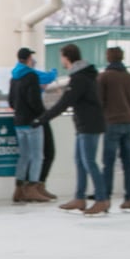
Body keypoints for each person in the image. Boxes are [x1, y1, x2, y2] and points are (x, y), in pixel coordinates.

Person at [35, 43, 108, 216]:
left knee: (89, 162)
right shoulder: (82, 76)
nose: (61, 60)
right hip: (84, 124)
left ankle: (102, 199)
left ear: (66, 57)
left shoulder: (79, 78)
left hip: (89, 125)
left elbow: (64, 103)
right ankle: (80, 197)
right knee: (80, 161)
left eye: (61, 56)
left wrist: (42, 119)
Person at [98, 47, 130, 212]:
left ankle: (105, 198)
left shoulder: (104, 78)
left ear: (108, 58)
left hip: (111, 123)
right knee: (127, 162)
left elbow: (99, 101)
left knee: (108, 163)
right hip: (129, 123)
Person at [8, 47, 54, 203]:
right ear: (28, 59)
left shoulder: (14, 77)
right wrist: (42, 116)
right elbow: (34, 101)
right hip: (32, 122)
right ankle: (32, 188)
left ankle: (19, 188)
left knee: (24, 156)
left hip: (18, 122)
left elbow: (11, 101)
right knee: (37, 156)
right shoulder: (32, 76)